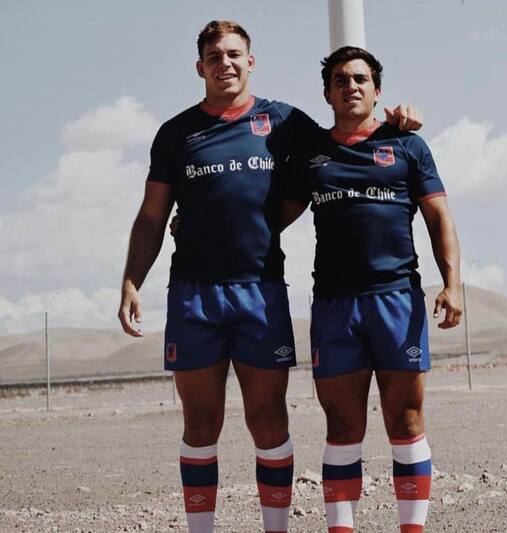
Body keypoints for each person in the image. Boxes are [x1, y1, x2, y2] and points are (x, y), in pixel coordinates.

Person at [117, 21, 421, 533]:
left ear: (250, 61)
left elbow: (345, 137)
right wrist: (130, 281)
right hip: (193, 293)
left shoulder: (283, 122)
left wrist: (398, 122)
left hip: (260, 291)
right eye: (214, 57)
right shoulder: (175, 134)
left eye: (234, 54)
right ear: (200, 68)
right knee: (200, 422)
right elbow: (151, 216)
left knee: (267, 418)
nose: (225, 64)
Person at [280, 46, 462, 533]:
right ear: (327, 94)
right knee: (342, 429)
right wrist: (203, 229)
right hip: (336, 307)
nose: (351, 86)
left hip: (397, 300)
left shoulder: (407, 145)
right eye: (340, 80)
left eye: (360, 79)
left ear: (378, 91)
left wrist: (453, 285)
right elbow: (273, 217)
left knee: (405, 422)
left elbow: (438, 215)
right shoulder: (311, 154)